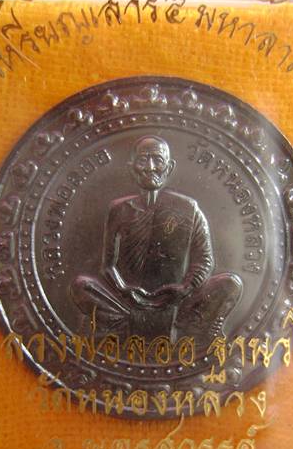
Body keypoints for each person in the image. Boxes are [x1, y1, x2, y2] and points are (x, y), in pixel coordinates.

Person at [71, 135, 242, 342]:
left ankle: (191, 327)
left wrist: (184, 288)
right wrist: (123, 289)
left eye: (158, 160)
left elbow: (204, 261)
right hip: (126, 301)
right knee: (81, 286)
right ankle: (119, 323)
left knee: (230, 284)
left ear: (169, 168)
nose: (150, 168)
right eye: (143, 160)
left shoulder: (188, 208)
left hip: (178, 302)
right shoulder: (119, 209)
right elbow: (107, 265)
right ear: (132, 168)